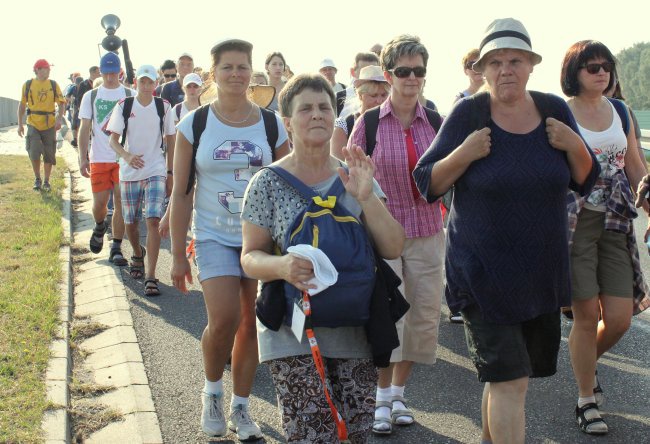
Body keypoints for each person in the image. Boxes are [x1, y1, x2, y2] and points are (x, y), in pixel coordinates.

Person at [413, 18, 599, 443]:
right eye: (494, 62)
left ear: (532, 64)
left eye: (515, 60)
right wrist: (464, 152)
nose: (505, 70)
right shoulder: (469, 113)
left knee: (510, 379)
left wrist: (574, 145)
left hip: (539, 271)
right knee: (510, 380)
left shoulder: (553, 109)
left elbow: (585, 178)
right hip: (482, 273)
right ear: (482, 69)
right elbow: (428, 182)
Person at [240, 73, 404, 443]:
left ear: (334, 116)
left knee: (357, 431)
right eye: (306, 109)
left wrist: (365, 197)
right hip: (290, 327)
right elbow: (250, 258)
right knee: (311, 432)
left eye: (324, 107)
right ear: (287, 122)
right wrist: (281, 266)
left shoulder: (355, 176)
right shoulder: (267, 182)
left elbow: (394, 246)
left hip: (353, 327)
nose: (317, 115)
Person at [169, 38, 290, 441]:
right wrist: (177, 258)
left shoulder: (271, 124)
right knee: (224, 319)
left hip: (259, 239)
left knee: (249, 327)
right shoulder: (195, 124)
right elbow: (181, 192)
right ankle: (212, 392)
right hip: (212, 235)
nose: (236, 74)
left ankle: (241, 406)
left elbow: (289, 183)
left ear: (251, 71)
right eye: (227, 67)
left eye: (242, 67)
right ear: (213, 74)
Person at [348, 35, 444, 436]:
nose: (412, 77)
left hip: (428, 231)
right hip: (384, 234)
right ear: (388, 76)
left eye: (418, 71)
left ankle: (399, 392)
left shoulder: (438, 122)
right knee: (390, 320)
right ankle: (381, 398)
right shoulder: (368, 123)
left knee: (423, 318)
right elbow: (353, 180)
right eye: (403, 71)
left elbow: (450, 175)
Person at [561, 40, 650, 435]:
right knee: (585, 316)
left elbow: (634, 164)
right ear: (574, 73)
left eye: (605, 66)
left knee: (619, 317)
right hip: (576, 225)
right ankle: (585, 399)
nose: (601, 72)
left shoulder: (620, 111)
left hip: (616, 222)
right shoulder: (562, 113)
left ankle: (583, 359)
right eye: (591, 66)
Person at [107, 64, 176, 296]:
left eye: (151, 81)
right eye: (143, 81)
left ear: (156, 83)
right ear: (136, 82)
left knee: (153, 220)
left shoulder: (163, 106)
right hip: (129, 172)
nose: (147, 86)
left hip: (155, 169)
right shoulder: (124, 106)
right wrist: (127, 156)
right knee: (130, 223)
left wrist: (170, 172)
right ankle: (137, 253)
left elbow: (171, 139)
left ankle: (150, 275)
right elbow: (113, 141)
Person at [78, 52, 135, 265]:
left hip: (122, 158)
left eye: (114, 73)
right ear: (101, 72)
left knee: (121, 203)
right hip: (99, 158)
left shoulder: (130, 94)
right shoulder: (91, 96)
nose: (110, 77)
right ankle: (100, 225)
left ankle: (117, 247)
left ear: (120, 72)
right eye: (107, 73)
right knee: (100, 204)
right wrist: (82, 157)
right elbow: (84, 128)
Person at [17, 59, 66, 191]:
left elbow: (62, 103)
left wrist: (59, 119)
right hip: (33, 122)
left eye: (49, 68)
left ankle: (46, 181)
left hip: (49, 124)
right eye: (46, 68)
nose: (49, 70)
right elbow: (22, 105)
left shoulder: (53, 84)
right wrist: (20, 124)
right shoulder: (28, 85)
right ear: (38, 69)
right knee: (34, 152)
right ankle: (37, 178)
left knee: (49, 154)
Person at [330, 65, 389, 158]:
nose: (379, 100)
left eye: (383, 95)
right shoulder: (344, 125)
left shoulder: (395, 121)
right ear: (360, 96)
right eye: (373, 95)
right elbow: (338, 165)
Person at [337, 52, 380, 118]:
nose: (369, 77)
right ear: (352, 72)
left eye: (373, 72)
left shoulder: (387, 97)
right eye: (364, 72)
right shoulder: (338, 98)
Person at [72, 66, 100, 147]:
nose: (100, 74)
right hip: (88, 112)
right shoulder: (84, 84)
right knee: (86, 131)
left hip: (98, 111)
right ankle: (85, 152)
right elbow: (79, 98)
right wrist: (82, 110)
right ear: (93, 73)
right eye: (98, 72)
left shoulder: (101, 83)